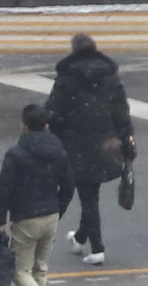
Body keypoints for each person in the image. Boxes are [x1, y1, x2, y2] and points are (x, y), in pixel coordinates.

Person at [46, 34, 136, 266]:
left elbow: (54, 112)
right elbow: (121, 111)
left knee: (87, 195)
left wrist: (53, 135)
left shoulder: (67, 78)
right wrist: (126, 137)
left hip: (75, 143)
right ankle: (79, 238)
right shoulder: (110, 76)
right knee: (90, 191)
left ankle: (97, 248)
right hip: (105, 141)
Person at [0, 104, 74, 286]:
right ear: (47, 126)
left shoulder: (16, 154)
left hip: (26, 217)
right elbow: (68, 185)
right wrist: (59, 208)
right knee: (40, 267)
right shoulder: (59, 151)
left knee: (20, 271)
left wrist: (0, 220)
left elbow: (5, 189)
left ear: (24, 126)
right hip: (50, 215)